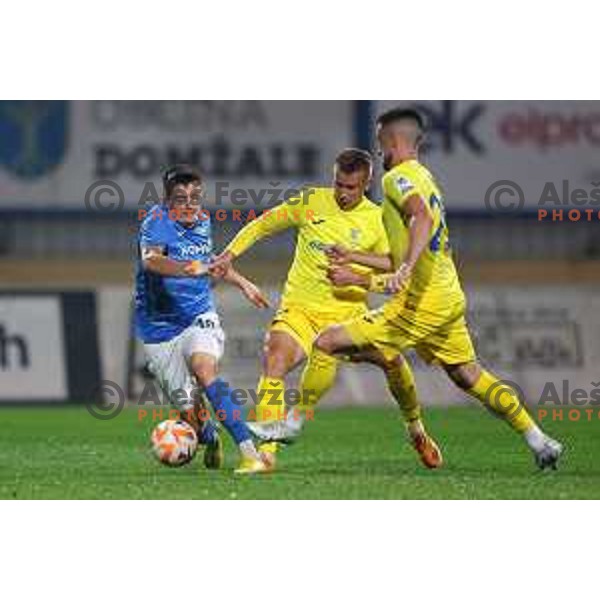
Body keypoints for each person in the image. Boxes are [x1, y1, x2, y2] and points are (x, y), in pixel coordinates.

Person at [312, 108, 563, 470]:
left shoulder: (395, 179)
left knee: (327, 341)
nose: (380, 149)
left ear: (393, 141)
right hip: (447, 296)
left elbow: (421, 219)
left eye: (381, 140)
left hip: (420, 303)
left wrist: (397, 271)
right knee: (468, 375)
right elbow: (409, 245)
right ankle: (539, 439)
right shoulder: (425, 177)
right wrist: (356, 257)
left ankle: (287, 424)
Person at [211, 149, 442, 469]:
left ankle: (416, 429)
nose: (343, 193)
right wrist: (229, 254)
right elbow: (264, 224)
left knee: (392, 361)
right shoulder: (310, 202)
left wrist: (357, 272)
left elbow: (394, 264)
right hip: (301, 310)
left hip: (349, 315)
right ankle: (265, 454)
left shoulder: (378, 219)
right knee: (274, 356)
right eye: (339, 184)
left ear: (367, 183)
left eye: (351, 187)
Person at [135, 164, 272, 474]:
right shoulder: (155, 222)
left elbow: (210, 264)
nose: (189, 205)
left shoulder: (203, 221)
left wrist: (243, 283)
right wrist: (187, 267)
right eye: (180, 198)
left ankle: (250, 454)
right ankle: (209, 435)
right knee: (190, 414)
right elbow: (151, 260)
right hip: (158, 329)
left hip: (198, 315)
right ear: (168, 200)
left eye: (195, 197)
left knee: (204, 370)